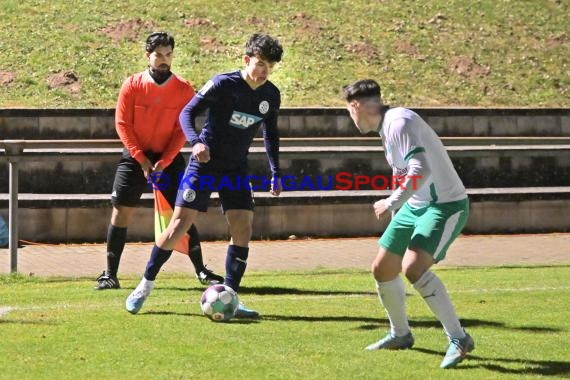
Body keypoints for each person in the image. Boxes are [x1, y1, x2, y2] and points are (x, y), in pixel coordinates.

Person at [125, 33, 284, 318]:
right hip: (205, 165)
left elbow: (270, 134)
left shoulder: (270, 95)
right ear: (247, 60)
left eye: (268, 67)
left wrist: (275, 171)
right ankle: (144, 286)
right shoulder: (224, 83)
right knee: (176, 228)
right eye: (259, 64)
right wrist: (196, 142)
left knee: (243, 228)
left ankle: (231, 297)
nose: (263, 71)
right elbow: (187, 113)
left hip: (236, 168)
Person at [342, 79, 474, 369]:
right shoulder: (387, 127)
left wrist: (390, 202)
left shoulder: (399, 122)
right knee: (382, 268)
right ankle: (400, 334)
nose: (351, 118)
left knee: (413, 268)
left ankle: (459, 338)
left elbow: (420, 169)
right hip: (415, 206)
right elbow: (403, 172)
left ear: (355, 106)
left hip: (444, 205)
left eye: (349, 111)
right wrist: (398, 205)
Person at [95, 32, 223, 290]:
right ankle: (111, 274)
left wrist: (163, 162)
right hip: (135, 157)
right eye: (158, 55)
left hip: (169, 158)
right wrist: (142, 160)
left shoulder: (184, 88)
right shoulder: (132, 85)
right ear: (148, 56)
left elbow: (181, 130)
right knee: (120, 212)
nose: (164, 60)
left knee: (183, 214)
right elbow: (122, 125)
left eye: (168, 55)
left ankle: (201, 271)